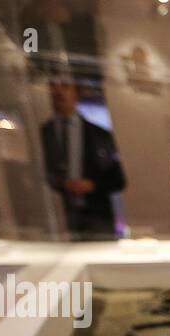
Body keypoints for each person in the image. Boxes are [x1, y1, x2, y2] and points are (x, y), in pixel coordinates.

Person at [40, 78, 125, 239]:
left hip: (97, 217)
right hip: (57, 218)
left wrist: (92, 185)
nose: (58, 92)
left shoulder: (100, 134)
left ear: (75, 94)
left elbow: (118, 179)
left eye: (65, 86)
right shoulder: (43, 133)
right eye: (52, 86)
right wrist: (60, 184)